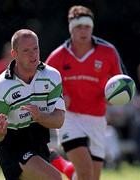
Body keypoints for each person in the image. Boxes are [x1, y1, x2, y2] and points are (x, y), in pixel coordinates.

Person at [46, 5, 126, 180]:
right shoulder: (57, 57)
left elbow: (120, 83)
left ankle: (63, 166)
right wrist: (59, 99)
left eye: (87, 26)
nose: (83, 31)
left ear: (92, 27)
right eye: (78, 27)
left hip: (97, 118)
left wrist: (113, 98)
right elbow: (44, 85)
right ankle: (66, 167)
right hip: (70, 118)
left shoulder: (108, 52)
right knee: (85, 173)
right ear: (71, 29)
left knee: (90, 178)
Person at [0, 29, 66, 180]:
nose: (33, 54)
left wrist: (40, 116)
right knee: (54, 177)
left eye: (35, 48)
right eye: (26, 51)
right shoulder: (1, 87)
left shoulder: (52, 76)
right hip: (12, 147)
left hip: (39, 143)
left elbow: (59, 121)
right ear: (14, 54)